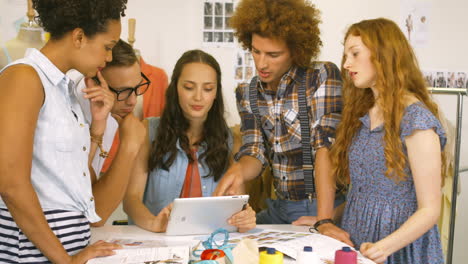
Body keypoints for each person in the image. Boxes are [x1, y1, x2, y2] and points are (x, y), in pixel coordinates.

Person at [0, 0, 138, 263]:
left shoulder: (66, 90)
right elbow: (11, 185)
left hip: (67, 252)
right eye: (107, 47)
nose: (108, 58)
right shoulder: (23, 78)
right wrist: (66, 261)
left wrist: (97, 126)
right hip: (31, 257)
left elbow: (70, 179)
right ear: (78, 37)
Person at [212, 0, 349, 244]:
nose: (261, 63)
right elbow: (254, 152)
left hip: (322, 206)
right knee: (233, 244)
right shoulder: (248, 92)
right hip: (279, 208)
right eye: (256, 51)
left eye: (273, 55)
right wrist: (238, 171)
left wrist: (324, 220)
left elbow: (324, 148)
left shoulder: (321, 76)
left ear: (296, 50)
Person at [333, 18, 446, 263]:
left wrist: (384, 247)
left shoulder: (417, 121)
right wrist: (327, 219)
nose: (346, 64)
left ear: (383, 56)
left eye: (354, 54)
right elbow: (365, 191)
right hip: (358, 243)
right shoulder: (362, 115)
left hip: (399, 249)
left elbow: (430, 210)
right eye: (345, 55)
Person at [123, 49, 256, 233]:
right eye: (189, 87)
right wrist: (154, 223)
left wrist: (245, 218)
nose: (198, 97)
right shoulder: (147, 131)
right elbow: (131, 200)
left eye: (208, 88)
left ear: (216, 93)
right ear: (175, 87)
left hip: (208, 247)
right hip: (156, 243)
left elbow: (238, 208)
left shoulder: (232, 141)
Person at [73, 39, 150, 175]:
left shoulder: (113, 112)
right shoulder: (70, 114)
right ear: (92, 84)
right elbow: (78, 182)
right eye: (122, 91)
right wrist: (128, 147)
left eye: (137, 87)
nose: (132, 101)